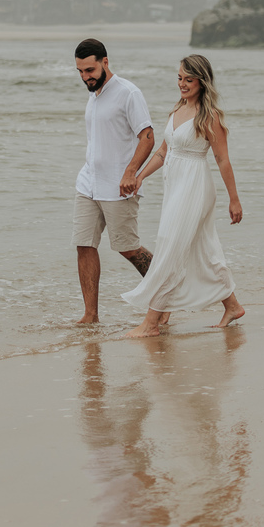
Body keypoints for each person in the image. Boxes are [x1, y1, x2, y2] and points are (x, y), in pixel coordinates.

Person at [122, 54, 245, 337]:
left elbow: (223, 160)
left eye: (189, 79)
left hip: (195, 188)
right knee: (203, 249)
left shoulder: (209, 116)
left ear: (202, 82)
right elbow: (164, 152)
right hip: (175, 188)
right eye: (179, 78)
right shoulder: (178, 110)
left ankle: (151, 323)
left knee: (171, 247)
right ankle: (233, 306)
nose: (182, 84)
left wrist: (234, 199)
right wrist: (140, 176)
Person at [73, 39, 156, 324]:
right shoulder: (94, 94)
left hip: (118, 186)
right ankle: (90, 315)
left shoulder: (128, 93)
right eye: (80, 71)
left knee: (128, 248)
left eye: (90, 70)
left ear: (105, 62)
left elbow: (147, 137)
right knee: (84, 245)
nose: (85, 77)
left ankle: (164, 297)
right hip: (88, 184)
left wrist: (130, 172)